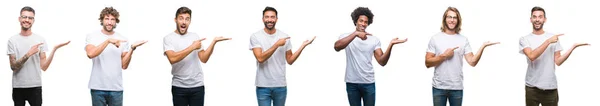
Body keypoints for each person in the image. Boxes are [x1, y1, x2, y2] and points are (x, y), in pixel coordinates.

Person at [424, 7, 499, 106]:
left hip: (456, 88)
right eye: (449, 17)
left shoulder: (463, 40)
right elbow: (427, 63)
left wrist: (483, 46)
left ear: (458, 20)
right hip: (438, 87)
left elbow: (472, 62)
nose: (452, 20)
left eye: (455, 18)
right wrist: (444, 56)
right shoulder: (435, 39)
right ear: (445, 19)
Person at [333, 7, 407, 106]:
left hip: (368, 82)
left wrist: (391, 45)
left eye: (366, 22)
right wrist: (355, 34)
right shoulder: (345, 37)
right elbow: (337, 47)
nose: (363, 24)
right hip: (351, 83)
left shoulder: (373, 40)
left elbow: (382, 62)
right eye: (361, 21)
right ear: (356, 21)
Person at [520, 6, 589, 106]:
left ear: (545, 19)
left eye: (540, 17)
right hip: (532, 88)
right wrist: (548, 41)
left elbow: (558, 61)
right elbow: (532, 56)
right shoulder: (524, 39)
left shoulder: (553, 37)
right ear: (531, 19)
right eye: (534, 17)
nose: (537, 19)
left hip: (550, 88)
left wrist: (573, 47)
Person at [163, 6, 231, 106]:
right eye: (181, 18)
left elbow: (203, 59)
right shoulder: (168, 38)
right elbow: (172, 58)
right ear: (175, 20)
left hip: (197, 86)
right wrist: (192, 47)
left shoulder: (194, 36)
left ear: (190, 21)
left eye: (187, 19)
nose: (184, 22)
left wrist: (213, 42)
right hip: (179, 87)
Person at [249, 6, 316, 106]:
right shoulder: (255, 36)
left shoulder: (284, 36)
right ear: (263, 19)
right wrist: (276, 44)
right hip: (263, 86)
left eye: (272, 17)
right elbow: (260, 58)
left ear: (276, 19)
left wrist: (303, 46)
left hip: (280, 85)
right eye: (267, 17)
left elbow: (290, 60)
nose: (270, 20)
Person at [84, 7, 147, 106]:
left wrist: (132, 49)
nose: (109, 22)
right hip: (97, 88)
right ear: (102, 20)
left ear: (116, 21)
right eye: (107, 19)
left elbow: (124, 65)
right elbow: (90, 54)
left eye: (112, 19)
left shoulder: (122, 39)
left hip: (116, 89)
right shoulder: (92, 36)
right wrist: (108, 41)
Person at [7, 6, 70, 106]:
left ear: (33, 20)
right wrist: (28, 54)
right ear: (19, 19)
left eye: (30, 18)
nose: (27, 20)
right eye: (24, 17)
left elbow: (44, 67)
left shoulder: (40, 40)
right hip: (18, 86)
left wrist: (54, 50)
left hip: (35, 86)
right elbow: (13, 66)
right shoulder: (12, 40)